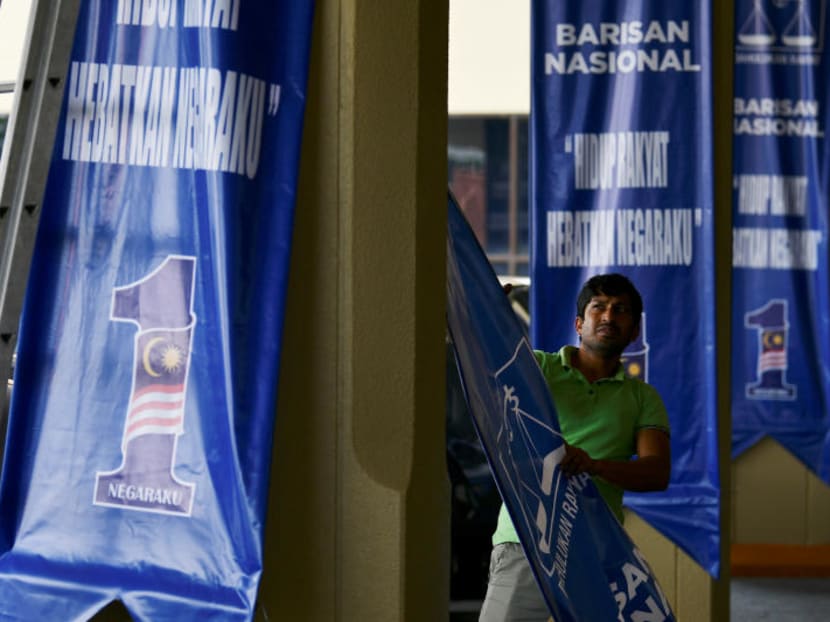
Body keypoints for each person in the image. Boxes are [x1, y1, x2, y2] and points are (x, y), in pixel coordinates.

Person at [479, 273, 671, 622]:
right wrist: (484, 315)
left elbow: (656, 472)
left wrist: (593, 465)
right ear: (579, 324)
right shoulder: (537, 367)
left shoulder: (643, 398)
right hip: (527, 538)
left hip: (597, 551)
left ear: (634, 332)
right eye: (599, 307)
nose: (609, 316)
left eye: (621, 310)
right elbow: (482, 377)